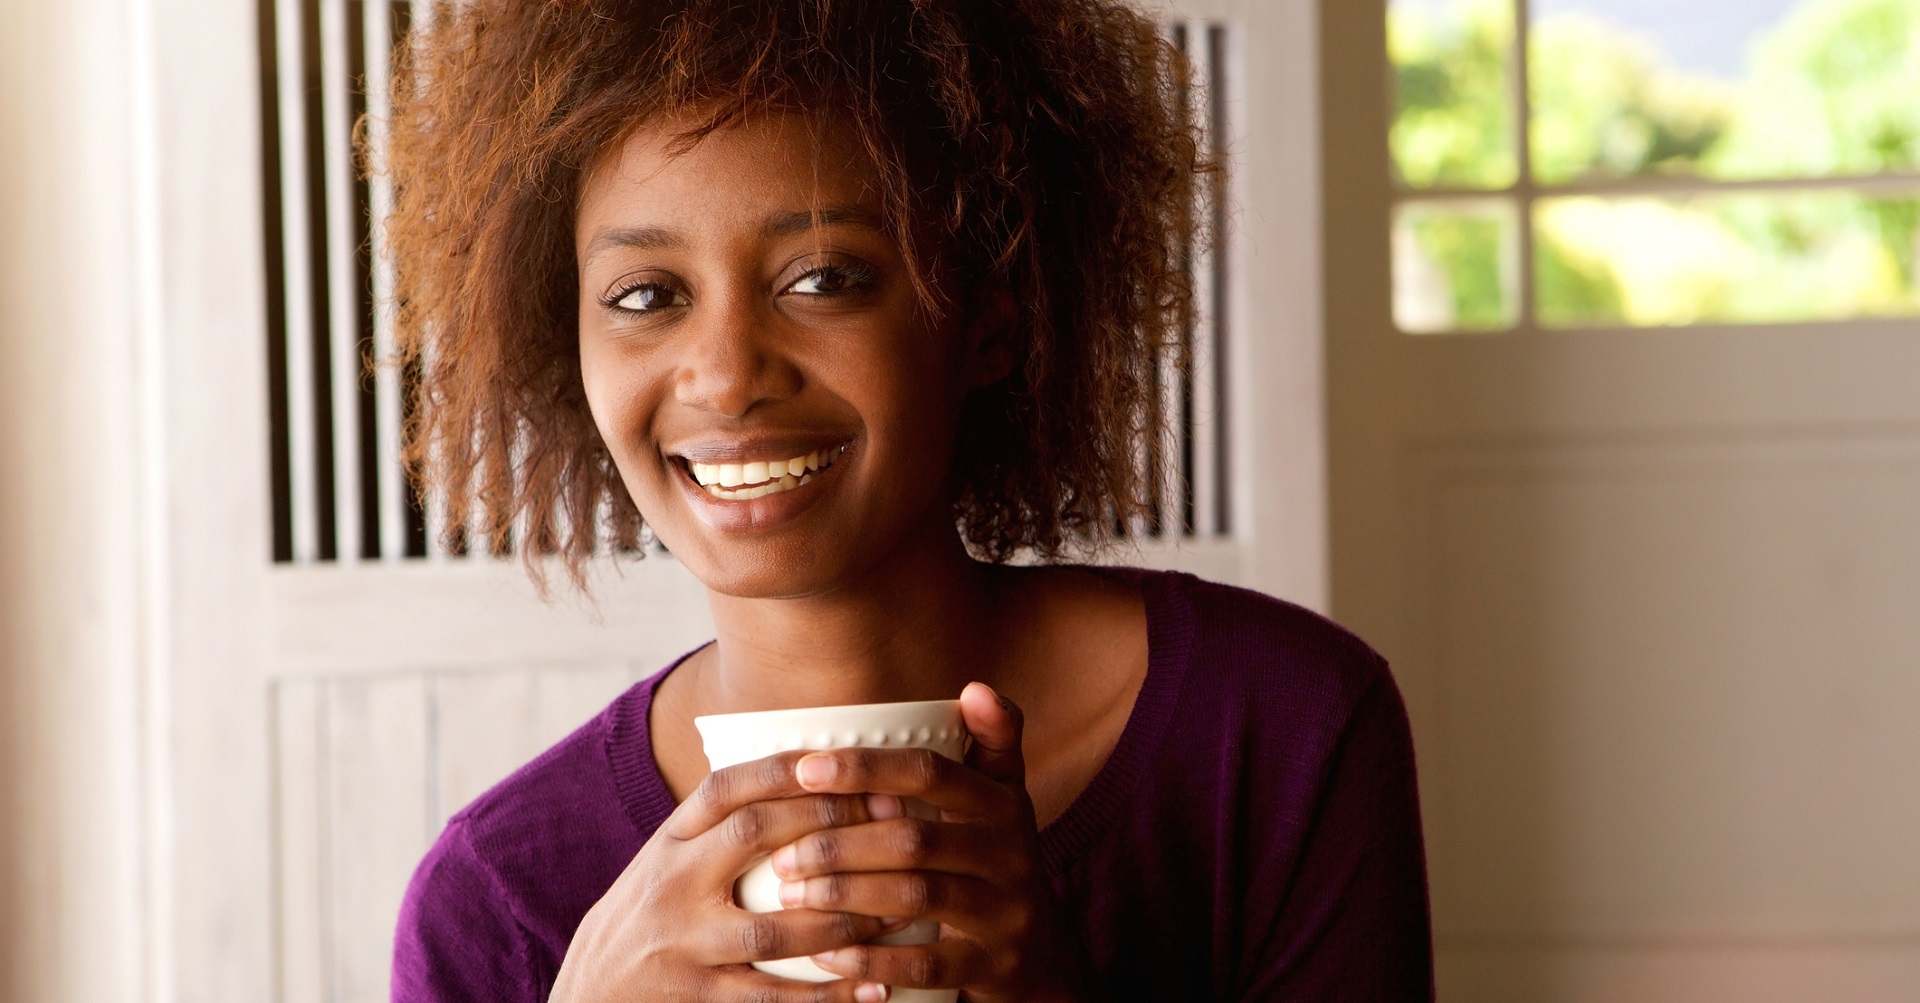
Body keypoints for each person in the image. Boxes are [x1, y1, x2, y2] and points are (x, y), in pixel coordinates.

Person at [383, 1, 1432, 1000]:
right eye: (647, 297)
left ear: (989, 316)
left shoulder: (1279, 730)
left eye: (825, 278)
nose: (728, 372)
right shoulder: (498, 901)